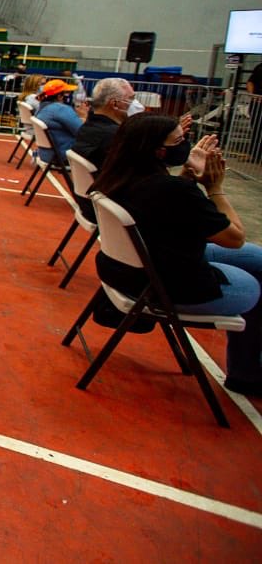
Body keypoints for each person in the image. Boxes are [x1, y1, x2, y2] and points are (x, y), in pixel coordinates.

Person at [92, 114, 262, 395]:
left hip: (130, 268)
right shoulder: (171, 191)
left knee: (256, 257)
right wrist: (214, 188)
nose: (187, 145)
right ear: (158, 151)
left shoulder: (116, 177)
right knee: (255, 282)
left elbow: (167, 206)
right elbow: (234, 237)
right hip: (170, 283)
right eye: (180, 140)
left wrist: (186, 177)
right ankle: (247, 373)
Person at [74, 77, 141, 168]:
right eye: (131, 98)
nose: (135, 103)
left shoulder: (87, 127)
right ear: (115, 104)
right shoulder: (117, 135)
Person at [36, 78, 82, 163]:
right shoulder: (61, 109)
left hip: (45, 154)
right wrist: (85, 116)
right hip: (64, 155)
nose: (69, 95)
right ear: (59, 96)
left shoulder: (41, 108)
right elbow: (82, 132)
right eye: (67, 93)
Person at [245, 60, 262, 163]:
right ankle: (253, 155)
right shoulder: (259, 67)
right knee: (256, 129)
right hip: (257, 103)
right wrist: (253, 95)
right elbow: (250, 82)